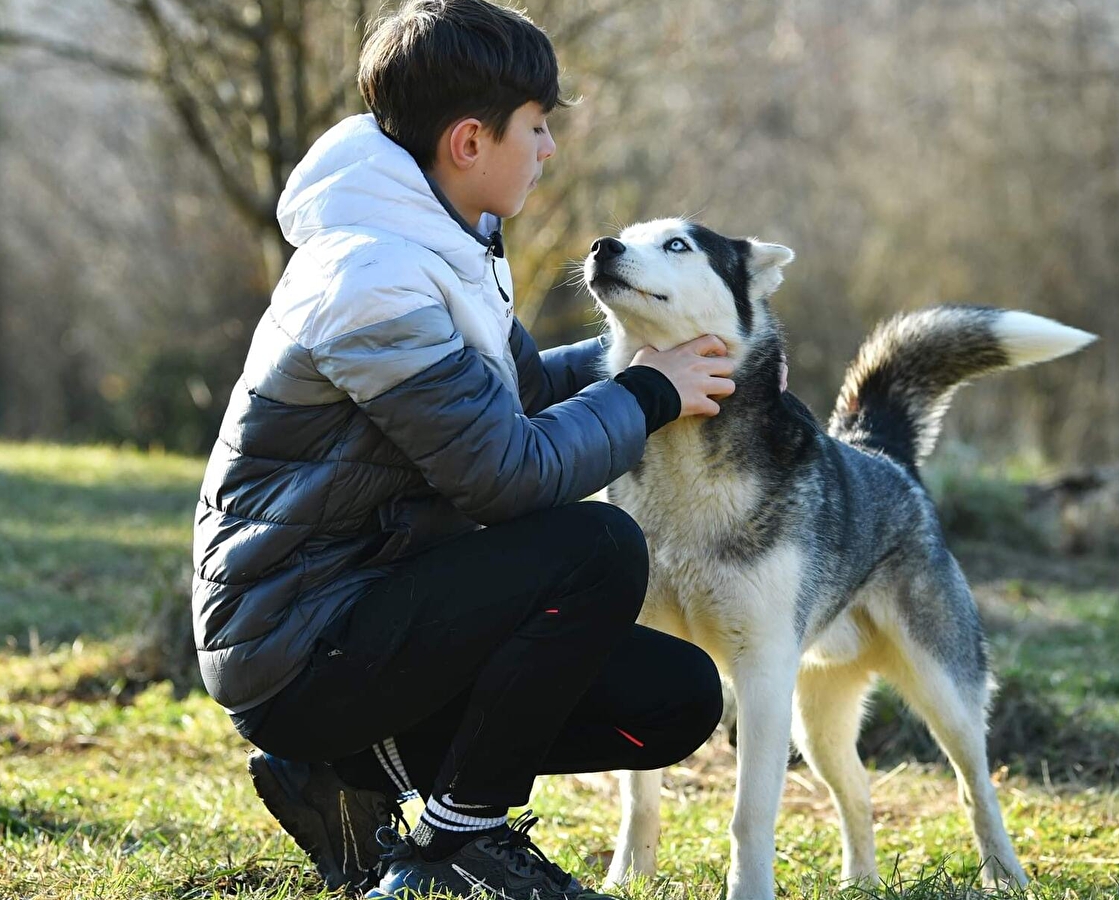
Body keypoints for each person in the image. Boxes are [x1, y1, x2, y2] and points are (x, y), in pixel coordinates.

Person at [189, 1, 740, 897]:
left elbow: (511, 401)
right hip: (298, 644)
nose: (549, 149)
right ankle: (454, 847)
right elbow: (503, 474)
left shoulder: (445, 241)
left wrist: (645, 365)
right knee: (593, 549)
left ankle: (341, 776)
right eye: (537, 127)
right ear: (471, 141)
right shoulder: (371, 277)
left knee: (673, 699)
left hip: (375, 615)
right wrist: (647, 393)